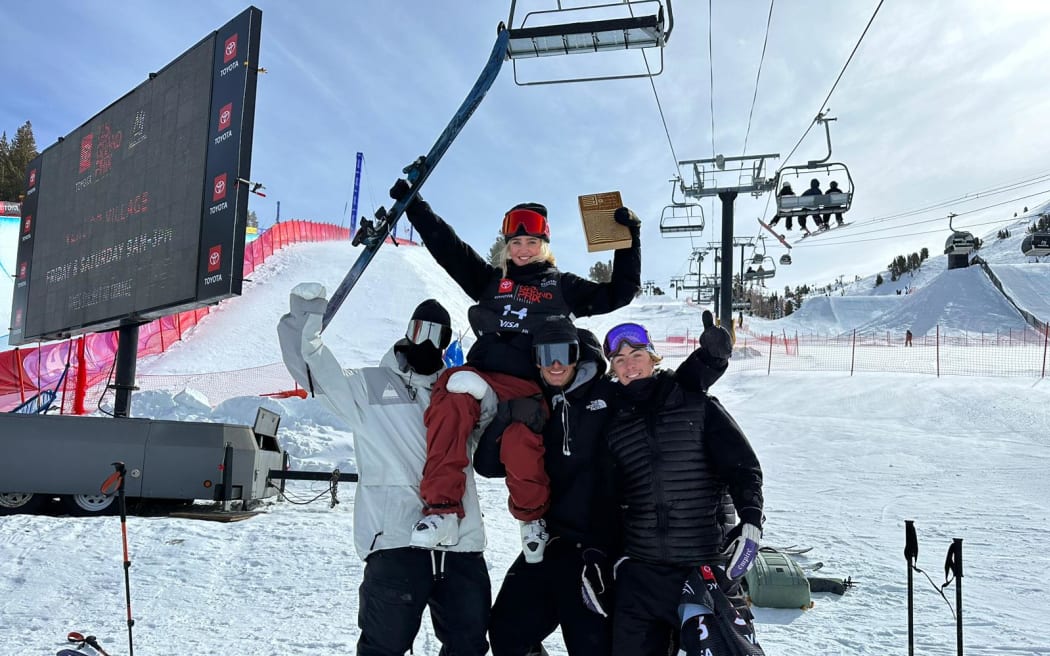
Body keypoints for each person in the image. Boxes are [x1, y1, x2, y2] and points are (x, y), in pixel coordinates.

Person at [389, 174, 642, 563]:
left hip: (525, 390)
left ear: (545, 246)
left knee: (521, 440)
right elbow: (450, 249)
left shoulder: (563, 286)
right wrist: (416, 208)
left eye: (532, 242)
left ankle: (531, 519)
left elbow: (618, 293)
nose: (523, 250)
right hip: (481, 380)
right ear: (507, 247)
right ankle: (441, 511)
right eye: (516, 243)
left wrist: (629, 240)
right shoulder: (491, 282)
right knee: (453, 393)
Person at [483, 313, 734, 656]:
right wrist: (505, 418)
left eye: (564, 353)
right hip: (550, 542)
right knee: (505, 632)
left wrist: (709, 360)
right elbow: (487, 465)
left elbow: (663, 389)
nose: (555, 364)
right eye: (545, 356)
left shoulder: (610, 393)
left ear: (577, 353)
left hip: (601, 549)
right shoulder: (537, 400)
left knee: (595, 646)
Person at [277, 288, 494, 656]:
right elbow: (313, 370)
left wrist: (485, 397)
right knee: (383, 648)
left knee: (469, 647)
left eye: (437, 335)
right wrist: (307, 316)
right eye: (420, 329)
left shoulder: (455, 391)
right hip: (396, 543)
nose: (427, 341)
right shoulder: (369, 386)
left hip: (461, 545)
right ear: (408, 331)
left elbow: (490, 430)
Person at [601, 321, 764, 656]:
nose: (630, 364)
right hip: (642, 574)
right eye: (619, 360)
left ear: (652, 357)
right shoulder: (613, 425)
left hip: (703, 564)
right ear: (612, 370)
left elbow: (743, 468)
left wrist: (751, 519)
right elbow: (608, 500)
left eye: (636, 353)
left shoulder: (698, 404)